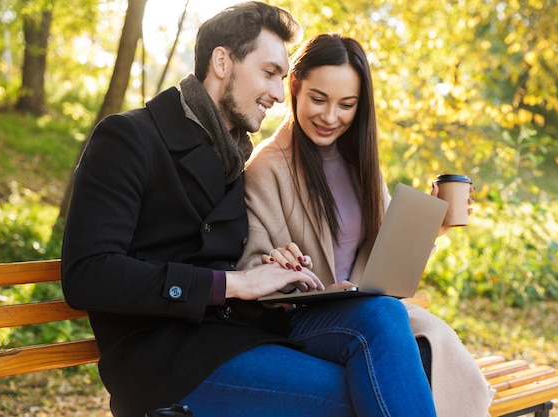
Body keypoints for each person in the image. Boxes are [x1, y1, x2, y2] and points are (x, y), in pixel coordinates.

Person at [61, 3, 437, 416]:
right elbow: (87, 274)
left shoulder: (232, 154)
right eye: (270, 73)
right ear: (223, 62)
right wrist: (232, 283)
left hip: (237, 335)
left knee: (383, 316)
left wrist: (277, 268)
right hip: (165, 361)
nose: (279, 95)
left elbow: (239, 258)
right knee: (366, 390)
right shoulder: (129, 138)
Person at [237, 33, 495, 417]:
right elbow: (252, 270)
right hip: (303, 319)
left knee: (430, 347)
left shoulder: (361, 162)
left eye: (347, 105)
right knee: (399, 338)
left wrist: (431, 227)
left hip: (369, 309)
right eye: (318, 99)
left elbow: (385, 259)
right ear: (295, 86)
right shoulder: (266, 168)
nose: (330, 117)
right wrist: (301, 278)